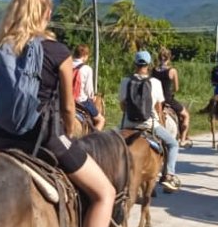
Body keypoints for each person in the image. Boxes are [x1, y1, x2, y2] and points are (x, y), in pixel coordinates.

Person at [0, 0, 116, 227]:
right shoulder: (57, 51)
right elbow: (69, 107)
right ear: (45, 13)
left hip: (1, 143)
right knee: (105, 192)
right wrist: (69, 134)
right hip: (46, 141)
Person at [119, 50, 182, 192]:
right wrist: (159, 119)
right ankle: (169, 176)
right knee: (173, 144)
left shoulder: (125, 81)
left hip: (128, 124)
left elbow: (123, 106)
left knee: (110, 143)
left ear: (135, 63)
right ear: (148, 64)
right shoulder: (155, 82)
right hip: (150, 125)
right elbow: (158, 107)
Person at [152, 47, 193, 146]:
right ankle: (183, 140)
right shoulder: (172, 71)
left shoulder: (153, 70)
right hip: (167, 99)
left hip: (155, 100)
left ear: (158, 58)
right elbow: (176, 88)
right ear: (169, 58)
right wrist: (171, 91)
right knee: (186, 115)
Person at [71, 44, 105, 131]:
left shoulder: (67, 65)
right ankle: (93, 139)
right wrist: (92, 96)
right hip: (81, 101)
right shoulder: (87, 69)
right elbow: (89, 91)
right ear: (85, 56)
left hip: (65, 100)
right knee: (101, 120)